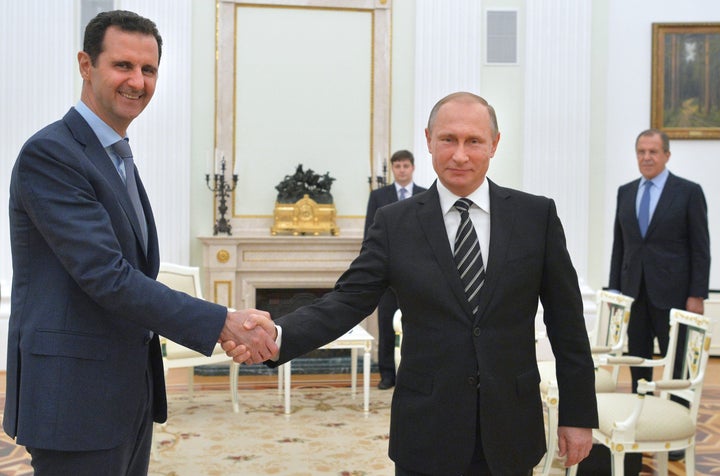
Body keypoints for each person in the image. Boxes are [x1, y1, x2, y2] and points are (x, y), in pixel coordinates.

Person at [228, 91, 598, 475]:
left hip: (510, 428)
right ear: (428, 141)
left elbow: (566, 323)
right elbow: (347, 302)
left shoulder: (535, 216)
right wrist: (279, 334)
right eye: (448, 140)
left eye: (473, 141)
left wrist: (578, 414)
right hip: (427, 430)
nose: (460, 154)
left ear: (494, 145)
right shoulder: (395, 223)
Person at [4, 10, 277, 476]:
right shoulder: (51, 154)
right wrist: (223, 322)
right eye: (123, 65)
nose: (137, 81)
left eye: (148, 69)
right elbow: (107, 276)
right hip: (74, 398)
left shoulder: (115, 156)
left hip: (124, 393)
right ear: (86, 65)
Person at [608, 129, 710, 392]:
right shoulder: (626, 192)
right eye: (641, 152)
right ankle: (641, 410)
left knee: (678, 362)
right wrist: (615, 292)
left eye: (653, 152)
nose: (647, 157)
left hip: (674, 296)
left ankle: (678, 414)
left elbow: (700, 248)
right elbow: (620, 245)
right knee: (638, 359)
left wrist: (697, 294)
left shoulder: (688, 192)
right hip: (635, 293)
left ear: (667, 155)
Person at [364, 149, 426, 389]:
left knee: (417, 326)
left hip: (419, 274)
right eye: (397, 166)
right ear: (393, 169)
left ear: (412, 168)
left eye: (405, 166)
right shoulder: (379, 196)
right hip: (388, 274)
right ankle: (387, 374)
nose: (401, 170)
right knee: (386, 326)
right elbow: (370, 232)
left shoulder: (426, 195)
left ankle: (415, 374)